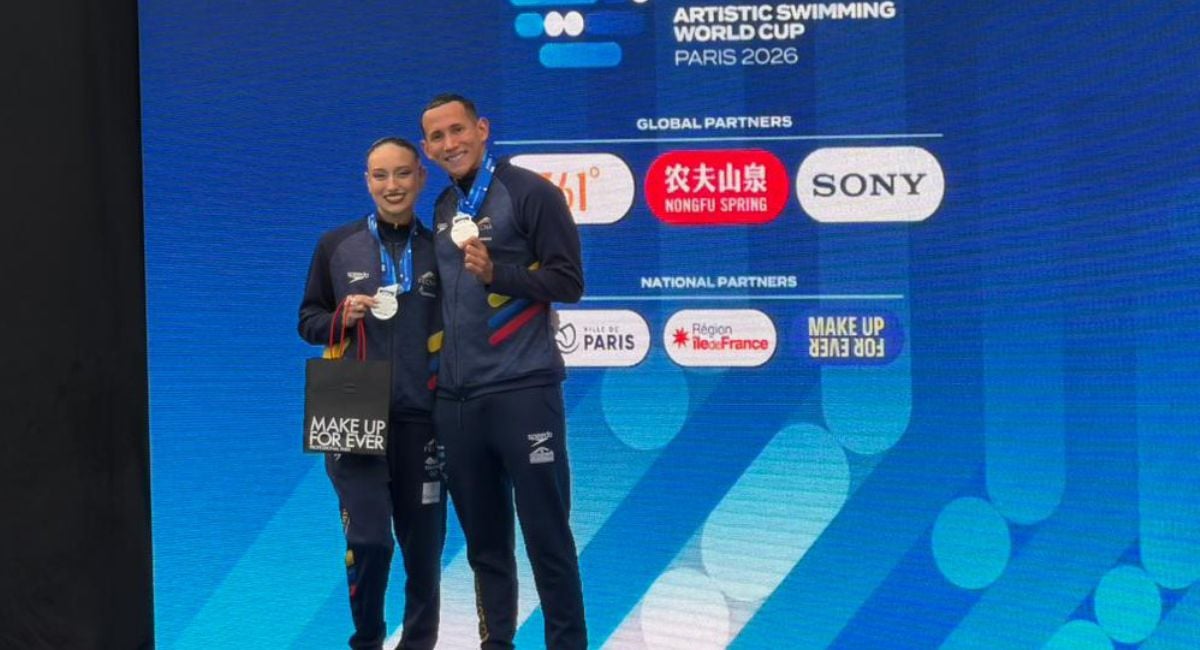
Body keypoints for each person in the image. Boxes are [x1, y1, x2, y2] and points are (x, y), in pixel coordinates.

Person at [420, 93, 588, 649]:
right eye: (438, 137)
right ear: (427, 148)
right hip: (459, 403)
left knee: (547, 539)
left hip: (524, 391)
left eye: (458, 130)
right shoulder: (443, 208)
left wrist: (500, 273)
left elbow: (569, 281)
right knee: (485, 547)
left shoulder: (530, 193)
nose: (450, 144)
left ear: (482, 129)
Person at [298, 137, 446, 650]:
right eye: (380, 175)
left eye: (403, 173)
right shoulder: (336, 246)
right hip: (353, 414)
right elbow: (308, 321)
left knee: (424, 553)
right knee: (370, 541)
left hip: (423, 418)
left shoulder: (441, 250)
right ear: (367, 181)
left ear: (421, 178)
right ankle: (367, 640)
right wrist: (341, 316)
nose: (392, 185)